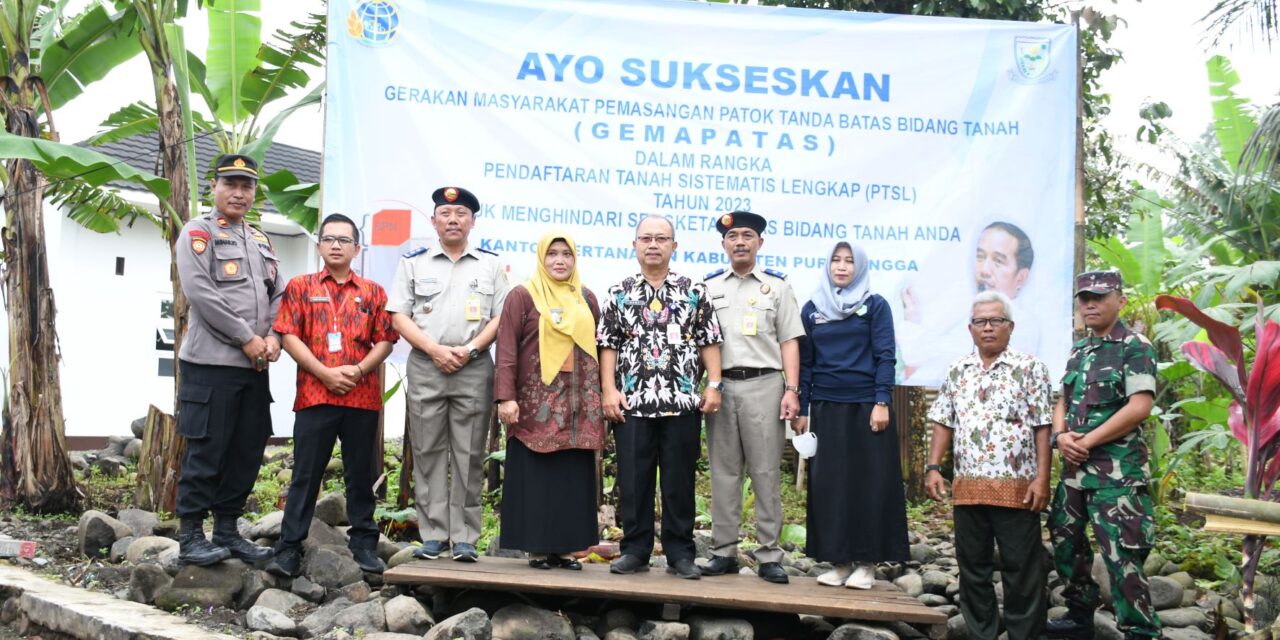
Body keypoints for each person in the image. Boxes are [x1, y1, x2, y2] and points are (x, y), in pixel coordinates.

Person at [265, 214, 399, 578]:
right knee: (305, 475)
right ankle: (289, 547)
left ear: (357, 248)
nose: (336, 245)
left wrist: (357, 370)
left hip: (361, 395)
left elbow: (385, 339)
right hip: (315, 395)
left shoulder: (374, 291)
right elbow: (289, 335)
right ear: (319, 245)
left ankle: (365, 544)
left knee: (361, 474)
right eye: (329, 239)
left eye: (344, 240)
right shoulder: (300, 286)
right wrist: (324, 372)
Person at [597, 215, 723, 580]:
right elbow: (608, 344)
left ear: (674, 246)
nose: (653, 245)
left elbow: (709, 340)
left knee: (679, 481)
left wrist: (713, 384)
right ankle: (635, 550)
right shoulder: (619, 293)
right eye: (646, 238)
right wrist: (609, 390)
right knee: (634, 482)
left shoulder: (693, 291)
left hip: (681, 403)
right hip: (632, 404)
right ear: (634, 245)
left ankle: (680, 554)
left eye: (661, 238)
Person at [388, 186, 510, 562]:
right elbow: (398, 316)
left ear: (472, 222)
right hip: (427, 366)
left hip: (472, 367)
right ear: (434, 220)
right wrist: (434, 350)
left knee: (470, 453)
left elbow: (501, 317)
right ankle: (434, 534)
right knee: (427, 452)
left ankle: (465, 537)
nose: (453, 220)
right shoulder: (414, 263)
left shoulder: (490, 265)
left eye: (460, 215)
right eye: (445, 214)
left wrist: (471, 349)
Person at [173, 153, 282, 567]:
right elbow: (202, 294)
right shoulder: (197, 234)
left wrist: (272, 336)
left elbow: (279, 294)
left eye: (247, 186)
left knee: (246, 449)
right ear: (214, 188)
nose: (239, 193)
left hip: (254, 370)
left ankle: (227, 531)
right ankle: (189, 537)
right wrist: (248, 339)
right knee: (207, 449)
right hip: (211, 365)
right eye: (231, 184)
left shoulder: (260, 240)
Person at [925, 290, 1053, 640]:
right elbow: (943, 421)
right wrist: (933, 467)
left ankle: (1025, 634)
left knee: (1022, 569)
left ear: (1010, 326)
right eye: (980, 322)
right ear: (970, 329)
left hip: (1018, 488)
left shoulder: (1030, 369)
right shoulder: (957, 371)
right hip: (968, 489)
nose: (988, 328)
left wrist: (1042, 479)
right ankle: (982, 632)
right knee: (973, 569)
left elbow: (1044, 426)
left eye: (996, 321)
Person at [1046, 271, 1161, 640]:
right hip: (1074, 470)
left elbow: (1139, 406)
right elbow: (1062, 398)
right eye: (1084, 298)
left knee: (1121, 555)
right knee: (1065, 541)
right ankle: (1081, 614)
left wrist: (1087, 441)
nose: (1090, 304)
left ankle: (1140, 631)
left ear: (1120, 301)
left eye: (1099, 297)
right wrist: (1061, 436)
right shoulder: (1080, 349)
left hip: (1117, 475)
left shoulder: (1134, 345)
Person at [794, 241, 907, 588]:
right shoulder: (812, 309)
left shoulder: (875, 306)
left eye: (849, 261)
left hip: (867, 407)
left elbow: (885, 355)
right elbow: (807, 364)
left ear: (859, 266)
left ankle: (867, 563)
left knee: (870, 485)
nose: (842, 266)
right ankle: (839, 562)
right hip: (826, 409)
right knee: (831, 487)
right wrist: (803, 408)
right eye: (835, 260)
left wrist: (882, 401)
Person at [699, 211, 804, 584]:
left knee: (765, 472)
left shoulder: (777, 287)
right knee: (724, 473)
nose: (740, 242)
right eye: (733, 237)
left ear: (760, 242)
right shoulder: (709, 288)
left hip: (765, 386)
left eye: (747, 235)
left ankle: (769, 555)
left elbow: (790, 340)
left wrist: (792, 390)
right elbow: (702, 344)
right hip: (722, 387)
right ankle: (723, 551)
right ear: (724, 244)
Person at [494, 231, 604, 570]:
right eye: (552, 254)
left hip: (577, 409)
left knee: (571, 478)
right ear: (541, 258)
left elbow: (600, 349)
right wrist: (505, 397)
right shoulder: (522, 296)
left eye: (566, 254)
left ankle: (568, 549)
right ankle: (539, 550)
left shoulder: (587, 298)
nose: (559, 261)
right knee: (537, 478)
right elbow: (507, 349)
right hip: (534, 408)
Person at [900, 221, 1040, 382]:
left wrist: (913, 334)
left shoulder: (1023, 325)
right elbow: (916, 375)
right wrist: (913, 321)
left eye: (998, 261)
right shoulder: (958, 312)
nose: (985, 270)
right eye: (980, 257)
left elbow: (958, 360)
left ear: (1021, 277)